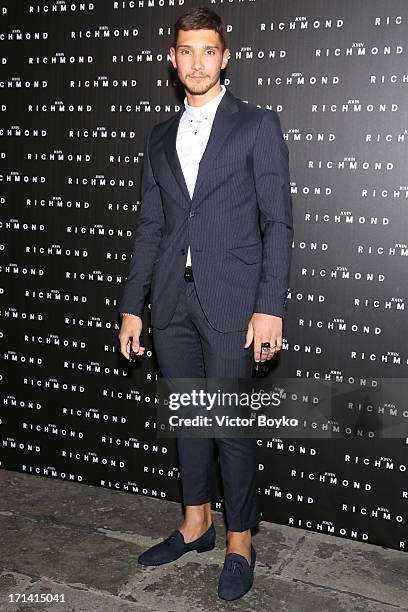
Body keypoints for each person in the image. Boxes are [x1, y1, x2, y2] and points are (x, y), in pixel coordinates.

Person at [118, 6, 293, 601]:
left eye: (207, 51)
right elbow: (150, 226)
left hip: (232, 302)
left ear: (224, 57)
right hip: (171, 303)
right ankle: (195, 526)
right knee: (191, 422)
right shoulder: (159, 135)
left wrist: (269, 306)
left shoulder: (256, 125)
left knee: (230, 428)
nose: (197, 62)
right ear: (174, 59)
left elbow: (278, 222)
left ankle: (240, 541)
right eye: (185, 51)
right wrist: (132, 306)